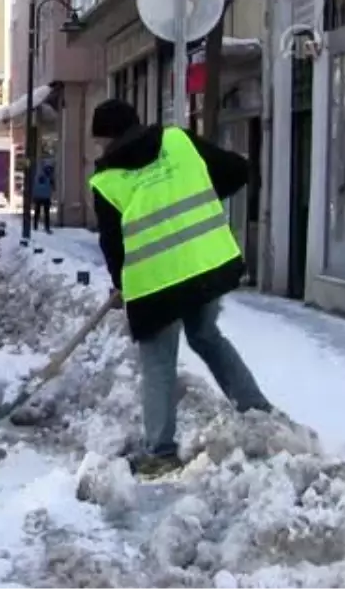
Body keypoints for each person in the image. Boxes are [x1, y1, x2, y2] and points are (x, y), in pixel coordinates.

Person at [88, 98, 272, 477]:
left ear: (108, 138)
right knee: (206, 335)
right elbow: (238, 171)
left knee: (158, 363)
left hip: (156, 284)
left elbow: (113, 245)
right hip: (205, 265)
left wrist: (122, 284)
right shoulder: (178, 141)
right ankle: (257, 412)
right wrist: (196, 196)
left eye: (99, 140)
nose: (98, 148)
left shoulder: (106, 180)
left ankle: (160, 451)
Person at [31, 162, 54, 234]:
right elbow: (52, 187)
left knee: (37, 212)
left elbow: (36, 185)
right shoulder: (49, 177)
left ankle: (35, 226)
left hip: (39, 196)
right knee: (46, 213)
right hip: (45, 197)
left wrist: (34, 195)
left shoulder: (39, 176)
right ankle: (46, 227)